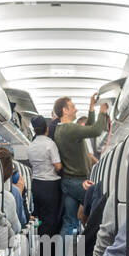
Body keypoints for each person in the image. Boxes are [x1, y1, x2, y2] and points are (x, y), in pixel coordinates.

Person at [53, 94, 108, 236]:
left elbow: (88, 128)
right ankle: (90, 249)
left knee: (69, 222)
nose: (76, 110)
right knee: (99, 207)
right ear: (65, 110)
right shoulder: (69, 129)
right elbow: (95, 130)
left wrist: (91, 107)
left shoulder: (62, 129)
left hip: (68, 181)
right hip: (77, 181)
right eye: (73, 107)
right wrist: (102, 112)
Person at [27, 115, 64, 256]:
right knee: (51, 222)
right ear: (47, 129)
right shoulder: (50, 144)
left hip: (37, 185)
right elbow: (58, 166)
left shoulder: (31, 145)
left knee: (41, 222)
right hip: (50, 186)